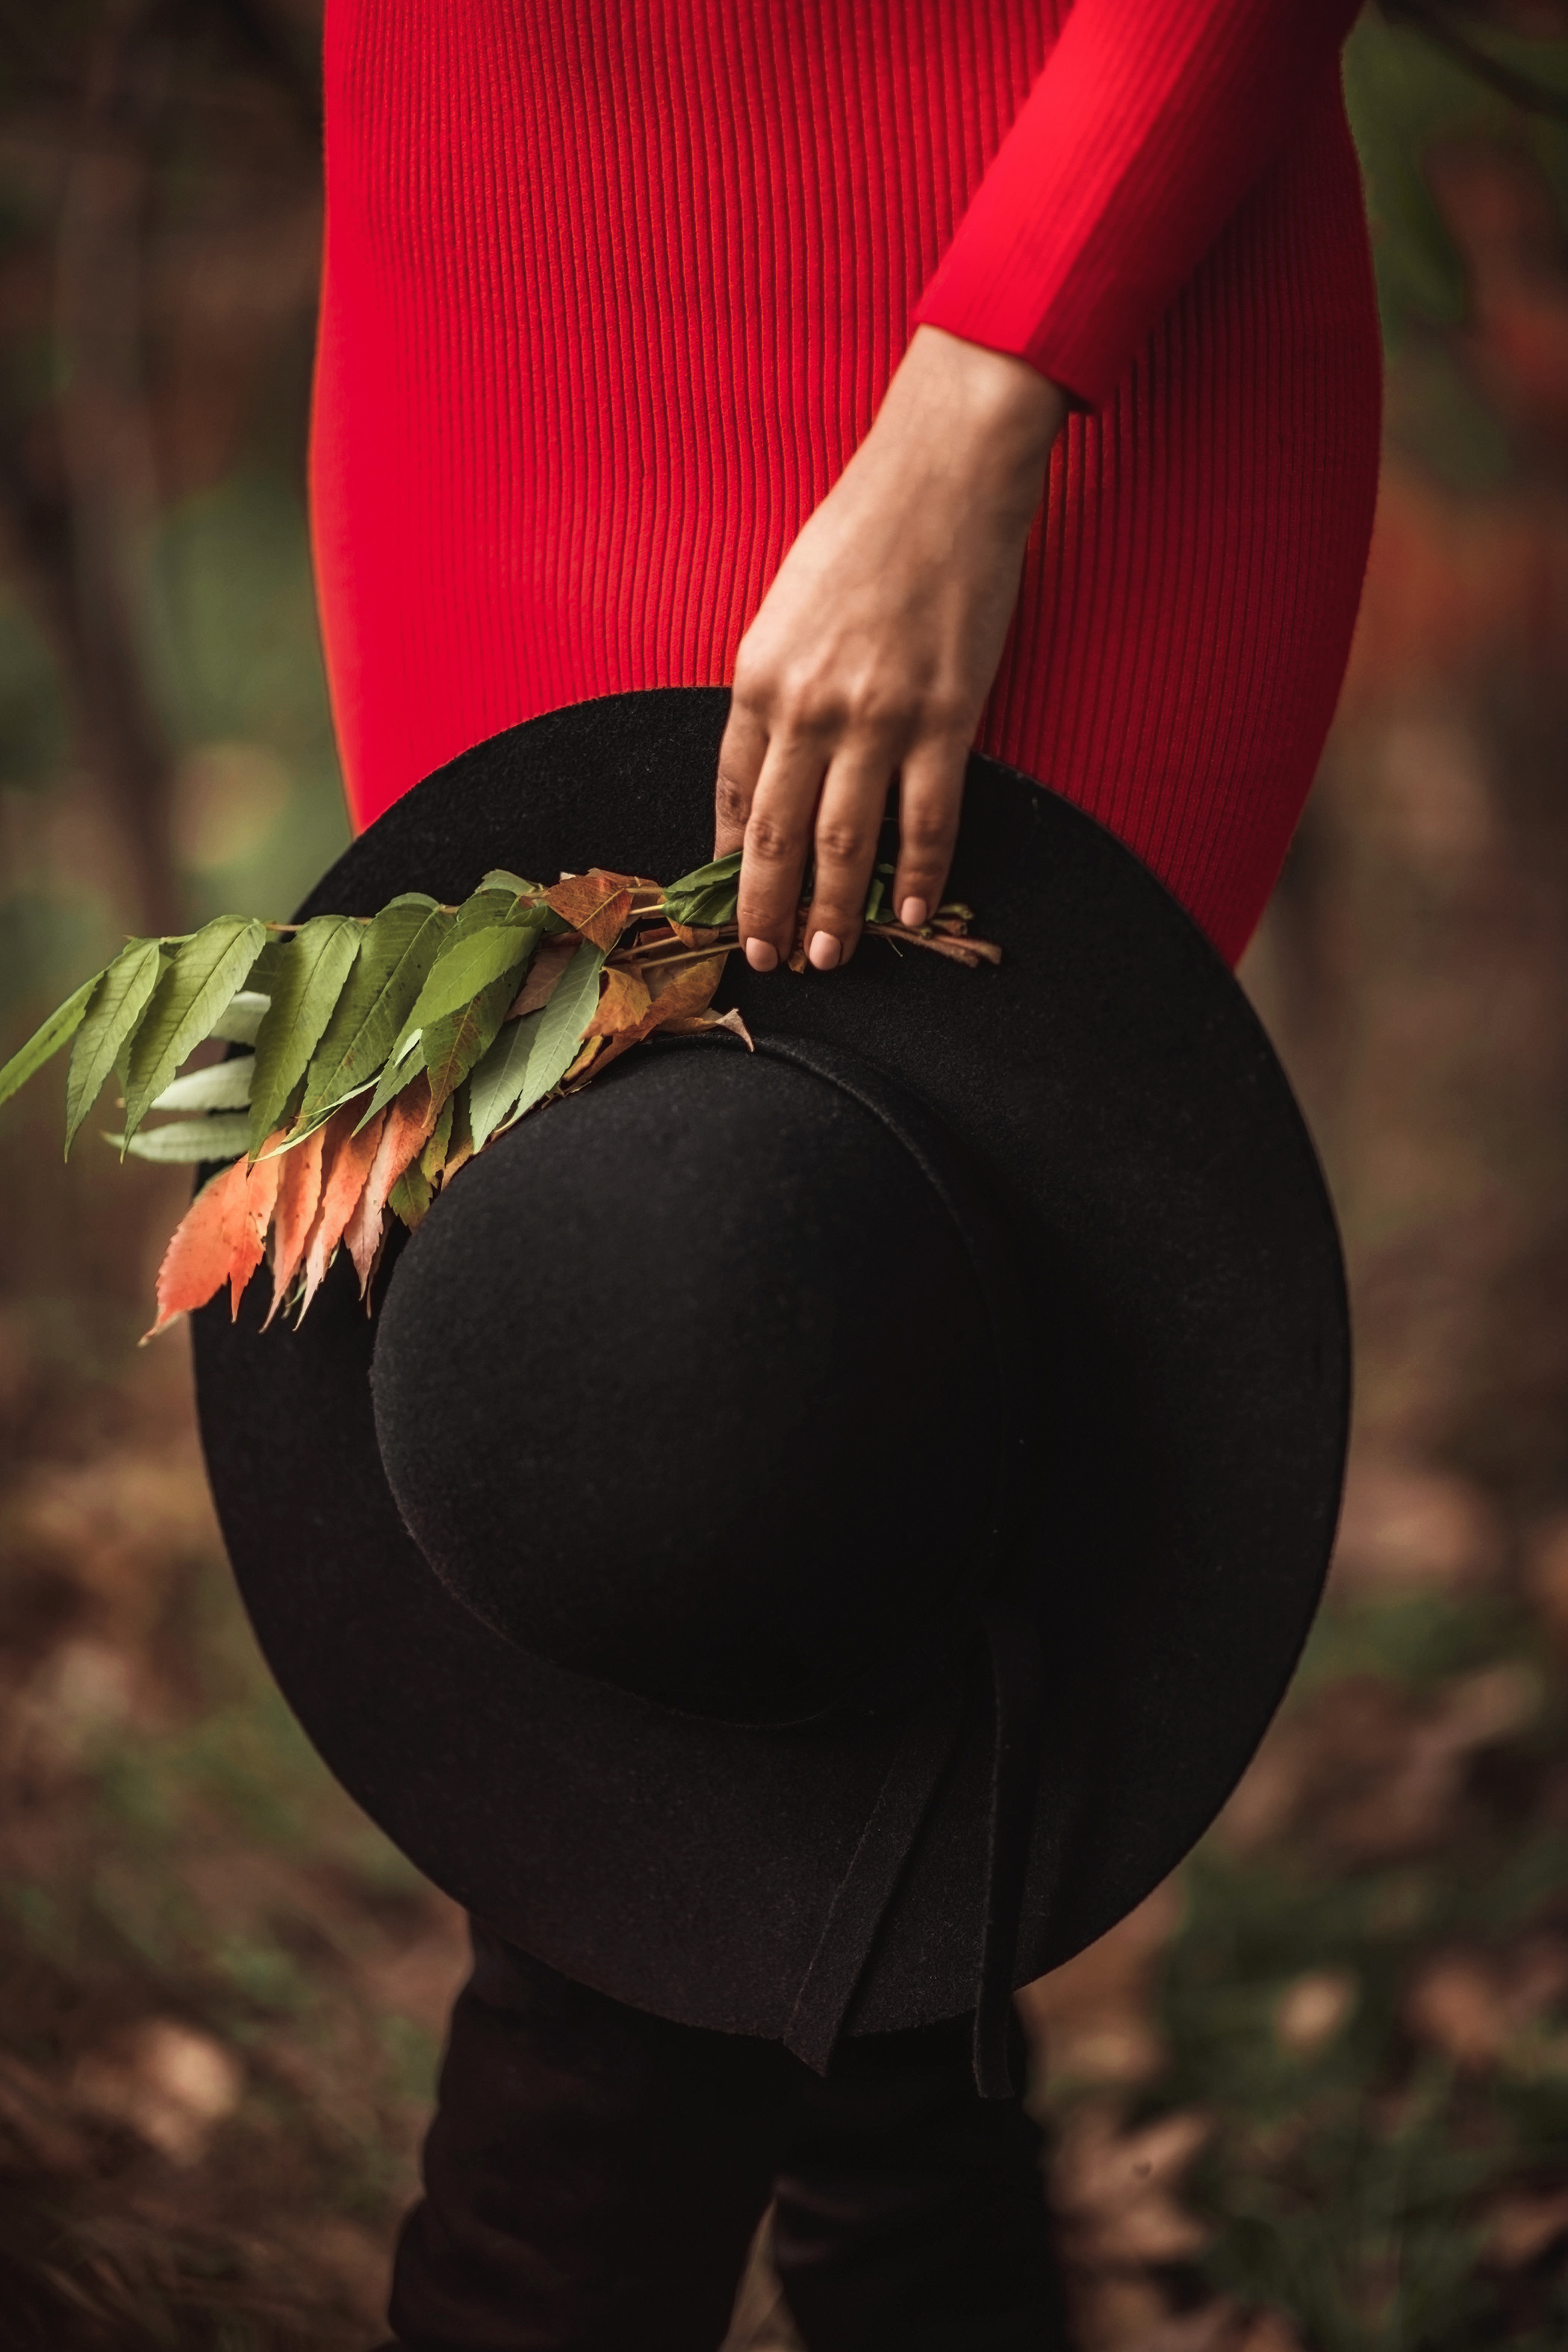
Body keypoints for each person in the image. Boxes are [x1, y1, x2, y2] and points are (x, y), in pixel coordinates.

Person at [302, 3, 1382, 2344]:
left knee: (780, 1416)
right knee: (744, 1487)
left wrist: (984, 395)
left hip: (1050, 359)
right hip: (489, 311)